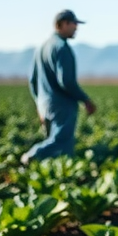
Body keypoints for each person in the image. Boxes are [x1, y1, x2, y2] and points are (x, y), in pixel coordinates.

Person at [21, 10, 96, 164]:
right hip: (62, 104)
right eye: (73, 24)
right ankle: (32, 156)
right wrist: (85, 99)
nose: (76, 28)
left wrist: (39, 104)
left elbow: (32, 80)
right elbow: (66, 81)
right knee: (62, 142)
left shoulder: (41, 48)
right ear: (61, 25)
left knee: (56, 150)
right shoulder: (62, 48)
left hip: (45, 104)